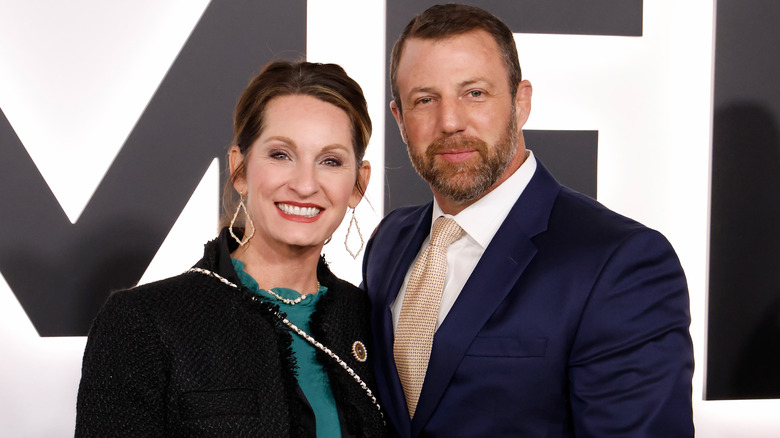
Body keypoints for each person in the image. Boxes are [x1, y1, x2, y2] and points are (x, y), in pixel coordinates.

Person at [362, 4, 694, 437]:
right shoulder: (389, 240)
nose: (450, 122)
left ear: (521, 103)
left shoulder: (621, 262)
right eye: (425, 100)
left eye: (474, 93)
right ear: (400, 120)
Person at [76, 60, 387, 437]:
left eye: (330, 161)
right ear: (240, 170)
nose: (305, 185)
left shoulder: (373, 321)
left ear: (358, 184)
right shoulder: (143, 322)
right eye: (281, 155)